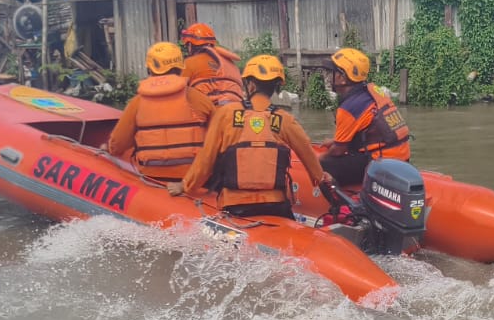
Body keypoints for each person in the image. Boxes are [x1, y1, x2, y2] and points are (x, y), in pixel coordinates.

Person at [179, 55, 331, 220]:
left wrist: (185, 185)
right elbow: (309, 157)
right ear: (276, 86)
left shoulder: (226, 114)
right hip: (275, 205)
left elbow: (206, 158)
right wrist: (321, 178)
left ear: (250, 85)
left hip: (234, 205)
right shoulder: (285, 120)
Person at [106, 42, 215, 183]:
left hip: (152, 179)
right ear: (180, 69)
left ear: (149, 69)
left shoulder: (137, 103)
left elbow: (117, 145)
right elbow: (219, 138)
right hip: (194, 180)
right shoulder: (199, 100)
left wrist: (108, 148)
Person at [320, 47, 411, 187]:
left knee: (324, 163)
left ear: (342, 77)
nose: (329, 76)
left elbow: (338, 150)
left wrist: (318, 158)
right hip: (402, 159)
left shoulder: (348, 108)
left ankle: (339, 202)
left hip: (379, 166)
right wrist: (334, 141)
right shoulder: (374, 92)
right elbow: (369, 130)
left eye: (333, 72)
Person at [179, 21, 245, 108]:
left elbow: (181, 91)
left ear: (190, 45)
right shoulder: (229, 62)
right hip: (236, 110)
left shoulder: (189, 63)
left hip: (208, 112)